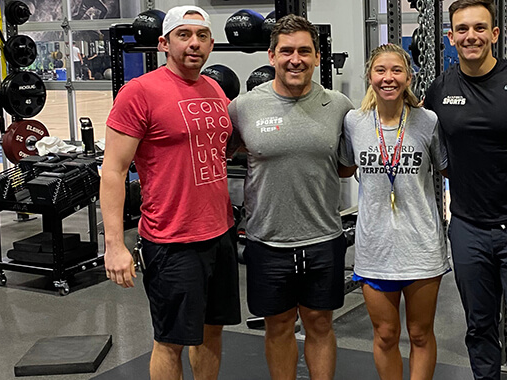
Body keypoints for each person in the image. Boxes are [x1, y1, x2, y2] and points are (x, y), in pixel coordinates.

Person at [101, 6, 240, 380]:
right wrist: (115, 244)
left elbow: (223, 150)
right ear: (164, 43)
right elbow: (113, 171)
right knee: (171, 340)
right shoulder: (139, 92)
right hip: (172, 239)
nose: (194, 43)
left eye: (202, 36)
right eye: (183, 35)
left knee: (212, 331)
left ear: (211, 43)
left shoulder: (214, 89)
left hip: (220, 232)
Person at [423, 1, 507, 379]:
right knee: (479, 327)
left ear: (495, 34)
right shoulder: (440, 90)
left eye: (480, 28)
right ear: (450, 37)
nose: (471, 36)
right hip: (467, 227)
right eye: (462, 29)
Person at [226, 14, 353, 380]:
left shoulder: (339, 105)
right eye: (286, 51)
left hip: (323, 237)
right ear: (271, 56)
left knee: (320, 324)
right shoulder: (244, 107)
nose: (294, 59)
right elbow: (220, 155)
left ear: (316, 57)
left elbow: (345, 166)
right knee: (278, 326)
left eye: (304, 51)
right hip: (267, 240)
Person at [339, 43, 449, 380]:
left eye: (396, 71)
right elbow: (343, 167)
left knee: (419, 334)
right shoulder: (354, 122)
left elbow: (448, 169)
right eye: (381, 71)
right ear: (370, 76)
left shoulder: (427, 121)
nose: (389, 78)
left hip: (422, 246)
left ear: (409, 77)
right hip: (375, 247)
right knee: (385, 335)